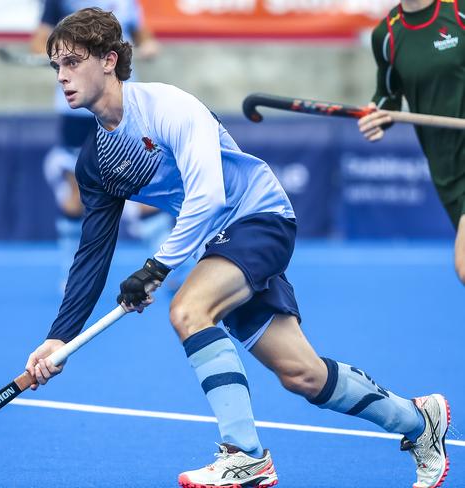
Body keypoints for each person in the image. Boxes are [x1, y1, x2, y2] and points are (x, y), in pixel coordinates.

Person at [25, 8, 451, 488]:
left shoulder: (168, 107)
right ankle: (420, 422)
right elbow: (92, 254)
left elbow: (209, 195)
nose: (61, 77)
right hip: (220, 243)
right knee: (302, 375)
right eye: (55, 66)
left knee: (189, 309)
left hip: (257, 216)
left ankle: (245, 455)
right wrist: (60, 336)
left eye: (71, 62)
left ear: (108, 60)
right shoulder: (96, 162)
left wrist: (157, 266)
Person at [29, 0, 170, 289]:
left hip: (124, 104)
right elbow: (39, 41)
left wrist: (150, 44)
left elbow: (140, 34)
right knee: (76, 189)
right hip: (77, 113)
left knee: (145, 181)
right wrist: (61, 58)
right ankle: (73, 271)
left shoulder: (128, 3)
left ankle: (171, 267)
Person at [358, 0, 465, 286]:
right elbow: (388, 95)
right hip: (447, 169)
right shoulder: (386, 36)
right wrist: (377, 115)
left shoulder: (459, 10)